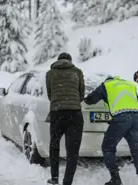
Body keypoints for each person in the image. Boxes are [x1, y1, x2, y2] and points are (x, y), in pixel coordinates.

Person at [84, 76, 138, 185]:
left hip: (121, 118)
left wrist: (85, 98)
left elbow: (91, 100)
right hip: (137, 118)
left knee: (108, 147)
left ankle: (115, 179)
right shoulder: (130, 85)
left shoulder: (106, 85)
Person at [46, 52, 85, 185]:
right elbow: (81, 94)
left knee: (54, 145)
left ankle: (54, 177)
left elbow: (50, 95)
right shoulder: (77, 72)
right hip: (75, 114)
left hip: (57, 113)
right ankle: (67, 182)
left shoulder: (50, 73)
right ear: (70, 60)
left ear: (58, 60)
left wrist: (59, 103)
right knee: (72, 151)